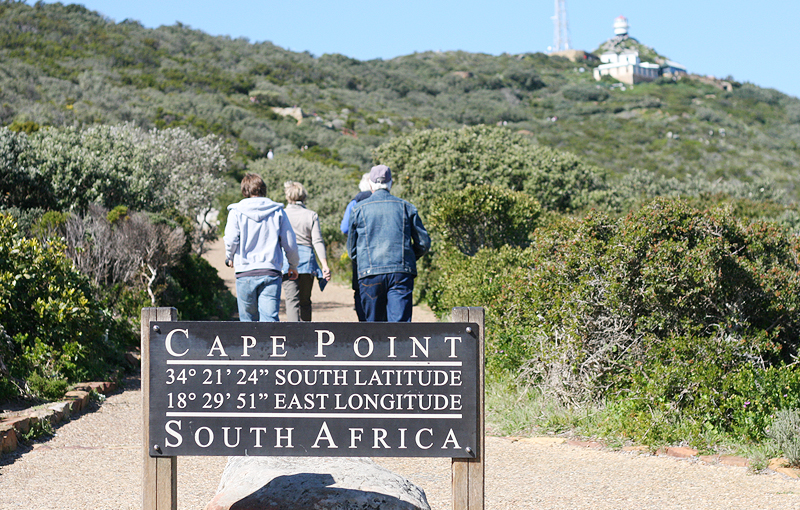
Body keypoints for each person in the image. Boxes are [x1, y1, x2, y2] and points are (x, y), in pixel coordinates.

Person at [347, 165, 431, 322]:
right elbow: (424, 243)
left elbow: (352, 251)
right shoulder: (407, 207)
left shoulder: (358, 209)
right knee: (400, 328)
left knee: (373, 330)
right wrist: (408, 256)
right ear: (391, 183)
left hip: (369, 273)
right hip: (401, 270)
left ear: (371, 184)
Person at [224, 173, 299, 322]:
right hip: (270, 270)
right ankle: (269, 346)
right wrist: (293, 265)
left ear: (244, 191)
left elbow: (231, 239)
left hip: (244, 271)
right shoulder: (278, 211)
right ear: (263, 189)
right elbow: (289, 243)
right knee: (270, 322)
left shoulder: (236, 212)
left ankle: (249, 346)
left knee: (247, 323)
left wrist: (229, 256)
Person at [281, 181, 331, 321]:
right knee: (305, 301)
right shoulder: (311, 215)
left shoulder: (282, 214)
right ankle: (306, 337)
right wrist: (324, 265)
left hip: (288, 262)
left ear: (288, 196)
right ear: (304, 196)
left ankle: (294, 335)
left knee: (292, 301)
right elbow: (317, 241)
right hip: (307, 263)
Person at [340, 173, 372, 321]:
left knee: (359, 290)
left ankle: (363, 325)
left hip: (361, 254)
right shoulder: (385, 201)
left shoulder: (354, 203)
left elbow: (344, 228)